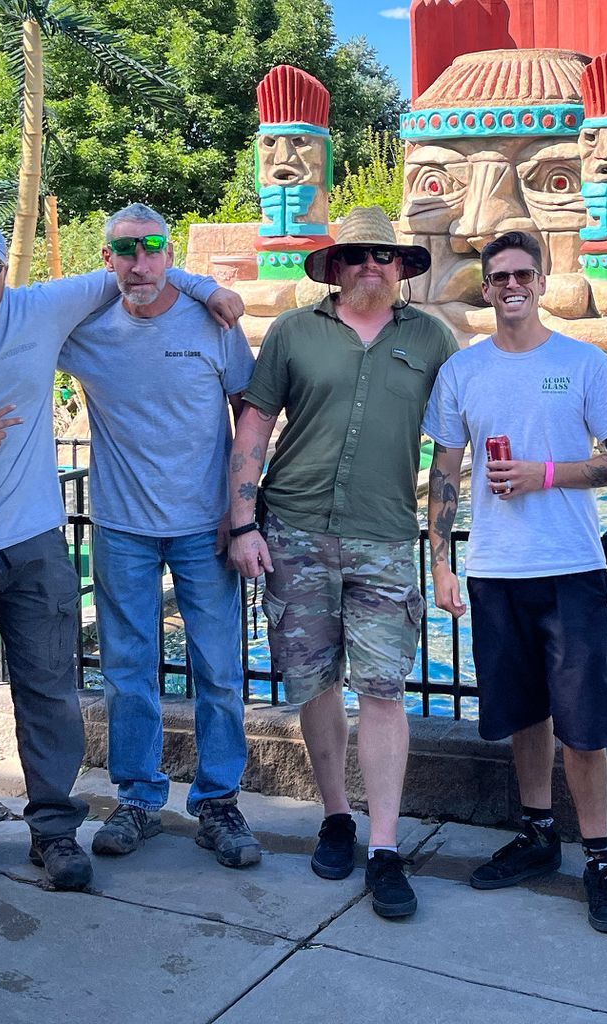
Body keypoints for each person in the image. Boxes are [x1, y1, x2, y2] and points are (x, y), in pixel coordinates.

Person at [0, 219, 240, 891]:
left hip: (32, 545)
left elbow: (137, 268)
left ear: (7, 272)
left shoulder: (36, 309)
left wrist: (204, 284)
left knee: (51, 692)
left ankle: (55, 830)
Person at [225, 206, 455, 921]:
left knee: (384, 691)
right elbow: (255, 427)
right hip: (292, 532)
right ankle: (335, 816)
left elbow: (450, 449)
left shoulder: (431, 337)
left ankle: (384, 846)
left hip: (384, 538)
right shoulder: (295, 332)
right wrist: (242, 521)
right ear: (335, 265)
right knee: (314, 684)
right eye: (356, 256)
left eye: (383, 257)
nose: (370, 268)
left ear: (401, 267)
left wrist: (441, 554)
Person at [423, 229, 607, 934]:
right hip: (495, 570)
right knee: (524, 715)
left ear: (542, 282)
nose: (511, 286)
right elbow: (445, 471)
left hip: (572, 566)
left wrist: (549, 474)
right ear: (485, 288)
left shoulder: (583, 364)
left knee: (584, 727)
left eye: (523, 274)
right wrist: (441, 562)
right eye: (499, 277)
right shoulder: (464, 371)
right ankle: (540, 832)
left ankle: (600, 857)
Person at [56, 205, 261, 868]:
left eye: (150, 249)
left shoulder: (213, 321)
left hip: (206, 527)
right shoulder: (85, 330)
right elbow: (2, 322)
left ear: (169, 253)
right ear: (107, 257)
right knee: (127, 674)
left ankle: (219, 803)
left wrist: (243, 515)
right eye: (124, 250)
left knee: (220, 672)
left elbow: (248, 420)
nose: (138, 262)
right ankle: (139, 799)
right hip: (123, 528)